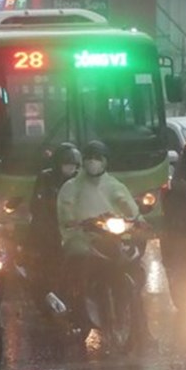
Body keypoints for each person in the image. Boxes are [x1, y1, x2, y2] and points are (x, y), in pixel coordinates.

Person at [56, 140, 155, 348]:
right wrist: (78, 223)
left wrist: (140, 223)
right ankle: (78, 315)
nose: (93, 162)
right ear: (83, 162)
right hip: (83, 239)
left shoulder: (114, 185)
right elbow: (66, 213)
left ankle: (142, 329)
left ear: (105, 161)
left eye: (98, 158)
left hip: (111, 238)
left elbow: (129, 208)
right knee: (78, 268)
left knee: (133, 271)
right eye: (89, 158)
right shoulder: (71, 187)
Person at [28, 142, 82, 313]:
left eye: (73, 165)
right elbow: (39, 206)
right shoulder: (46, 179)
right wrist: (51, 226)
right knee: (49, 263)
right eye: (66, 164)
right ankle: (46, 294)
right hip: (50, 230)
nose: (69, 168)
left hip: (75, 230)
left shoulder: (80, 181)